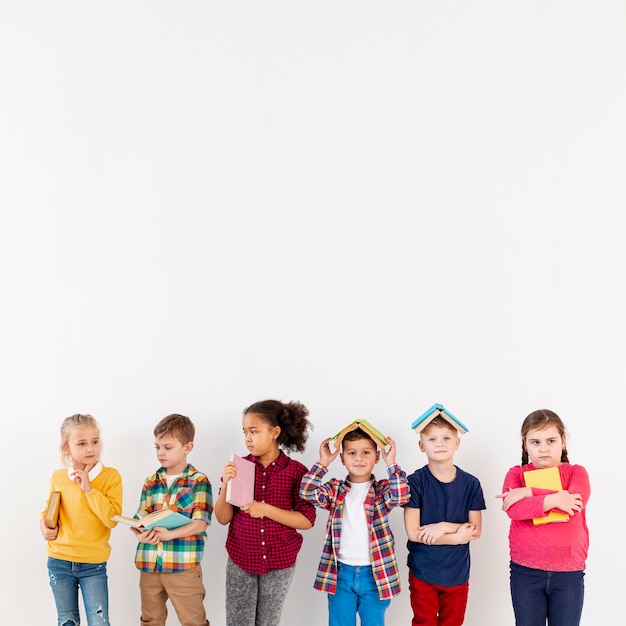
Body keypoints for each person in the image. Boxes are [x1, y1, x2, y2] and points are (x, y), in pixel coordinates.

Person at [214, 399, 316, 626]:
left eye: (253, 431)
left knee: (268, 622)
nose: (247, 438)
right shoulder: (239, 467)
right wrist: (227, 484)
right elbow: (222, 518)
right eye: (244, 432)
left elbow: (307, 519)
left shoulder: (296, 472)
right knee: (238, 621)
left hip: (280, 562)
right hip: (241, 558)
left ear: (275, 432)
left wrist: (266, 510)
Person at [299, 427, 410, 626]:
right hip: (341, 574)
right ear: (342, 458)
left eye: (366, 452)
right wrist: (323, 462)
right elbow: (307, 492)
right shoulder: (335, 489)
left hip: (375, 575)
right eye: (352, 453)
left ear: (376, 457)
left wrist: (391, 462)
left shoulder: (382, 489)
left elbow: (401, 495)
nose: (359, 458)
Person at [496, 409, 590, 626]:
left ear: (563, 441)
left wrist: (529, 492)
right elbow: (514, 509)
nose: (544, 448)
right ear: (525, 444)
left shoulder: (577, 473)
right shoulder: (516, 475)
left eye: (551, 441)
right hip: (525, 572)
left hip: (568, 572)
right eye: (535, 442)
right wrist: (554, 499)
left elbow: (574, 503)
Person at [40, 413, 123, 626]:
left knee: (99, 622)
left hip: (93, 564)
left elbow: (112, 519)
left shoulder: (111, 477)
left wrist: (88, 489)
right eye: (82, 443)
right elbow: (48, 511)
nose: (90, 449)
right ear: (66, 448)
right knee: (67, 621)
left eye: (95, 442)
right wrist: (43, 525)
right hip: (59, 561)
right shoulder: (59, 477)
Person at [131, 413, 213, 626]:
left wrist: (169, 535)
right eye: (157, 447)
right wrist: (139, 532)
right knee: (150, 620)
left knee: (193, 621)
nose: (161, 453)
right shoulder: (150, 481)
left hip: (183, 566)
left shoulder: (199, 481)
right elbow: (140, 517)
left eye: (168, 447)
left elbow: (201, 522)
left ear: (187, 447)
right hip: (149, 564)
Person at [404, 415, 485, 626]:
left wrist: (443, 527)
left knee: (453, 622)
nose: (439, 443)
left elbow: (475, 530)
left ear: (457, 443)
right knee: (424, 622)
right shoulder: (415, 482)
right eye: (432, 439)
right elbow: (414, 533)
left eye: (446, 438)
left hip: (457, 572)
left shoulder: (471, 484)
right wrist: (456, 537)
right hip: (423, 571)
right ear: (421, 445)